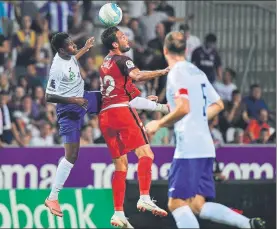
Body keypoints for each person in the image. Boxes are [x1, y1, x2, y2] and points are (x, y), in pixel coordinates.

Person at [146, 31, 265, 229]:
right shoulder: (197, 71)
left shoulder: (176, 72)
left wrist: (157, 124)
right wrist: (195, 115)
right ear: (185, 50)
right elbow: (218, 104)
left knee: (176, 203)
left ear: (165, 50)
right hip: (205, 146)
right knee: (197, 204)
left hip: (189, 147)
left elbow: (184, 108)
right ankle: (248, 224)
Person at [99, 26, 169, 228]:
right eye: (122, 37)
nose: (127, 39)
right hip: (121, 113)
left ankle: (118, 213)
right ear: (115, 44)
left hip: (105, 117)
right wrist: (162, 72)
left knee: (120, 166)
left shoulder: (106, 64)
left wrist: (160, 107)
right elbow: (137, 77)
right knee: (146, 154)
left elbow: (133, 99)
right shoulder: (123, 60)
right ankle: (144, 196)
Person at [44, 32, 97, 217]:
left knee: (111, 98)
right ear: (60, 50)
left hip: (83, 98)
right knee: (72, 156)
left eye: (73, 43)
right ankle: (52, 197)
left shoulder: (69, 55)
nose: (73, 45)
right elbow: (48, 96)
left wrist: (84, 48)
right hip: (68, 109)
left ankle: (152, 104)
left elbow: (73, 59)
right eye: (70, 45)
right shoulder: (56, 68)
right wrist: (72, 100)